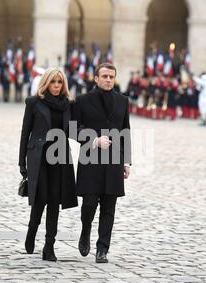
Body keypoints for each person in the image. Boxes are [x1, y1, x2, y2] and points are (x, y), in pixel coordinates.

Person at [72, 63, 132, 263]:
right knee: (89, 203)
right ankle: (85, 230)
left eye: (111, 77)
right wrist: (94, 140)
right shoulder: (82, 101)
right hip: (90, 159)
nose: (108, 80)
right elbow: (73, 129)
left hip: (114, 160)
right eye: (104, 76)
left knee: (109, 206)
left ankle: (102, 249)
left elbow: (125, 131)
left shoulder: (123, 101)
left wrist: (126, 161)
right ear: (96, 78)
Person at [18, 67, 78, 261]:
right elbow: (25, 133)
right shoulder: (34, 103)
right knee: (40, 199)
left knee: (54, 202)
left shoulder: (68, 105)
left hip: (60, 159)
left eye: (60, 82)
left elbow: (74, 131)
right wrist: (22, 163)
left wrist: (93, 138)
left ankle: (49, 247)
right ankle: (31, 231)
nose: (56, 86)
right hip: (40, 158)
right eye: (53, 82)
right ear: (46, 83)